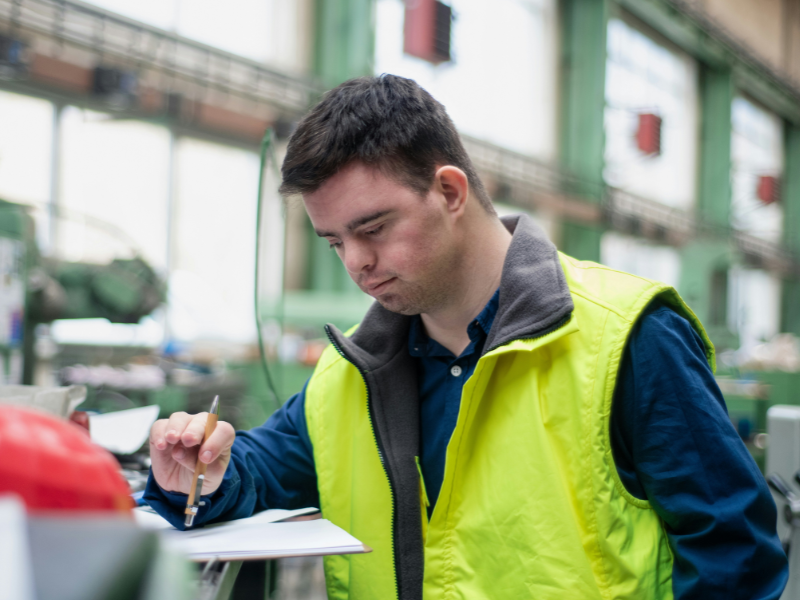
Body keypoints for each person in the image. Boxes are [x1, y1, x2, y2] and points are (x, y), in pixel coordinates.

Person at [146, 75, 788, 599]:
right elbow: (261, 469)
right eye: (337, 240)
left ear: (449, 190)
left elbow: (734, 559)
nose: (356, 263)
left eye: (373, 228)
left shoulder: (627, 338)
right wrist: (200, 472)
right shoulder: (355, 373)